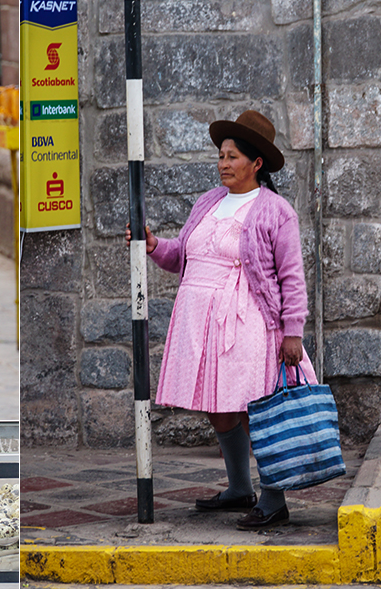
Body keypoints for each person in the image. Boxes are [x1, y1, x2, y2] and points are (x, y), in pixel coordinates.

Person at [125, 110, 318, 531]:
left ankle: (273, 497)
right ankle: (239, 489)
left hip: (250, 323)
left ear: (257, 164)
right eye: (221, 155)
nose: (224, 163)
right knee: (220, 410)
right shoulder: (207, 203)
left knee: (258, 409)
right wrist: (154, 244)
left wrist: (293, 332)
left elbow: (292, 277)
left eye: (232, 156)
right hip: (203, 324)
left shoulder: (275, 210)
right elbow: (183, 257)